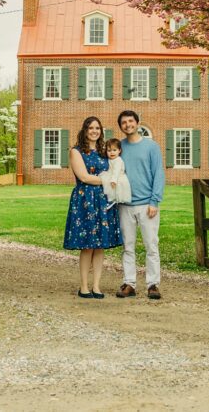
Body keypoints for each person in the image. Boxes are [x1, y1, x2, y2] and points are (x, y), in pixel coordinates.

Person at [63, 116, 122, 298]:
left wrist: (115, 181)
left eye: (97, 128)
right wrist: (110, 181)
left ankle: (96, 286)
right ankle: (84, 287)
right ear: (85, 130)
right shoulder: (77, 151)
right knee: (87, 245)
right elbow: (84, 177)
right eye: (91, 128)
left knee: (100, 246)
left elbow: (116, 170)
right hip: (85, 200)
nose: (94, 131)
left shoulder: (106, 151)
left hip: (104, 201)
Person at [114, 110, 165, 300]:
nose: (128, 125)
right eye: (124, 123)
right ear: (121, 126)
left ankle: (153, 284)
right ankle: (129, 283)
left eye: (130, 121)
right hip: (125, 205)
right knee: (128, 247)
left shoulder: (151, 146)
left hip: (147, 205)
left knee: (151, 245)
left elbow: (158, 174)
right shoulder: (120, 147)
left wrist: (154, 201)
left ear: (137, 122)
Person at [99, 138, 133, 212]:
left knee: (115, 190)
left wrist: (113, 180)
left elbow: (116, 171)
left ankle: (113, 200)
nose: (112, 153)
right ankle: (111, 200)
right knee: (110, 189)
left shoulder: (118, 160)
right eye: (109, 150)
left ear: (119, 151)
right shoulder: (110, 159)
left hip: (118, 177)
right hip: (111, 175)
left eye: (114, 150)